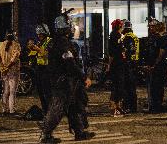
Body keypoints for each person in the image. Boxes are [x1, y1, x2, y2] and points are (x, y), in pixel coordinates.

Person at [39, 14, 95, 143]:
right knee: (57, 108)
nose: (71, 28)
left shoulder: (55, 42)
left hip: (62, 80)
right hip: (63, 81)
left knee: (74, 105)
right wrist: (83, 77)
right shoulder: (63, 43)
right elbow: (70, 63)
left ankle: (79, 132)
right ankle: (46, 135)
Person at [146, 21, 167, 113]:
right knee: (158, 87)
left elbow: (156, 53)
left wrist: (151, 64)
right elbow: (161, 53)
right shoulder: (161, 39)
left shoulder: (155, 39)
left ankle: (155, 106)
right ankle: (156, 106)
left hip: (157, 66)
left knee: (155, 87)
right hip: (159, 66)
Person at [28, 23, 52, 115]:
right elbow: (34, 54)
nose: (39, 36)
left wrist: (38, 49)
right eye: (38, 34)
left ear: (45, 33)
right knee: (41, 92)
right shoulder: (39, 42)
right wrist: (31, 50)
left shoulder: (50, 41)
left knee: (47, 92)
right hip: (39, 69)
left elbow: (48, 54)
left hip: (47, 69)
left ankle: (50, 111)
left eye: (41, 34)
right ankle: (46, 111)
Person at [0, 33, 21, 115]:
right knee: (12, 91)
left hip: (4, 71)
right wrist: (8, 67)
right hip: (13, 71)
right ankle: (11, 110)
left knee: (5, 91)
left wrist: (2, 67)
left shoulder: (1, 44)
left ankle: (4, 109)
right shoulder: (16, 45)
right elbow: (14, 59)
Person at [107, 19, 126, 117]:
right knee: (117, 86)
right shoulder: (117, 37)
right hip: (118, 64)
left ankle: (117, 106)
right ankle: (114, 107)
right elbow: (112, 54)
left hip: (118, 63)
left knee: (118, 86)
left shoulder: (116, 36)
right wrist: (109, 65)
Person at [121, 19, 139, 113]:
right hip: (134, 63)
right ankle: (132, 106)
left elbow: (128, 50)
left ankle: (129, 106)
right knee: (132, 87)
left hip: (128, 63)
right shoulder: (134, 36)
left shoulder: (127, 37)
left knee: (128, 87)